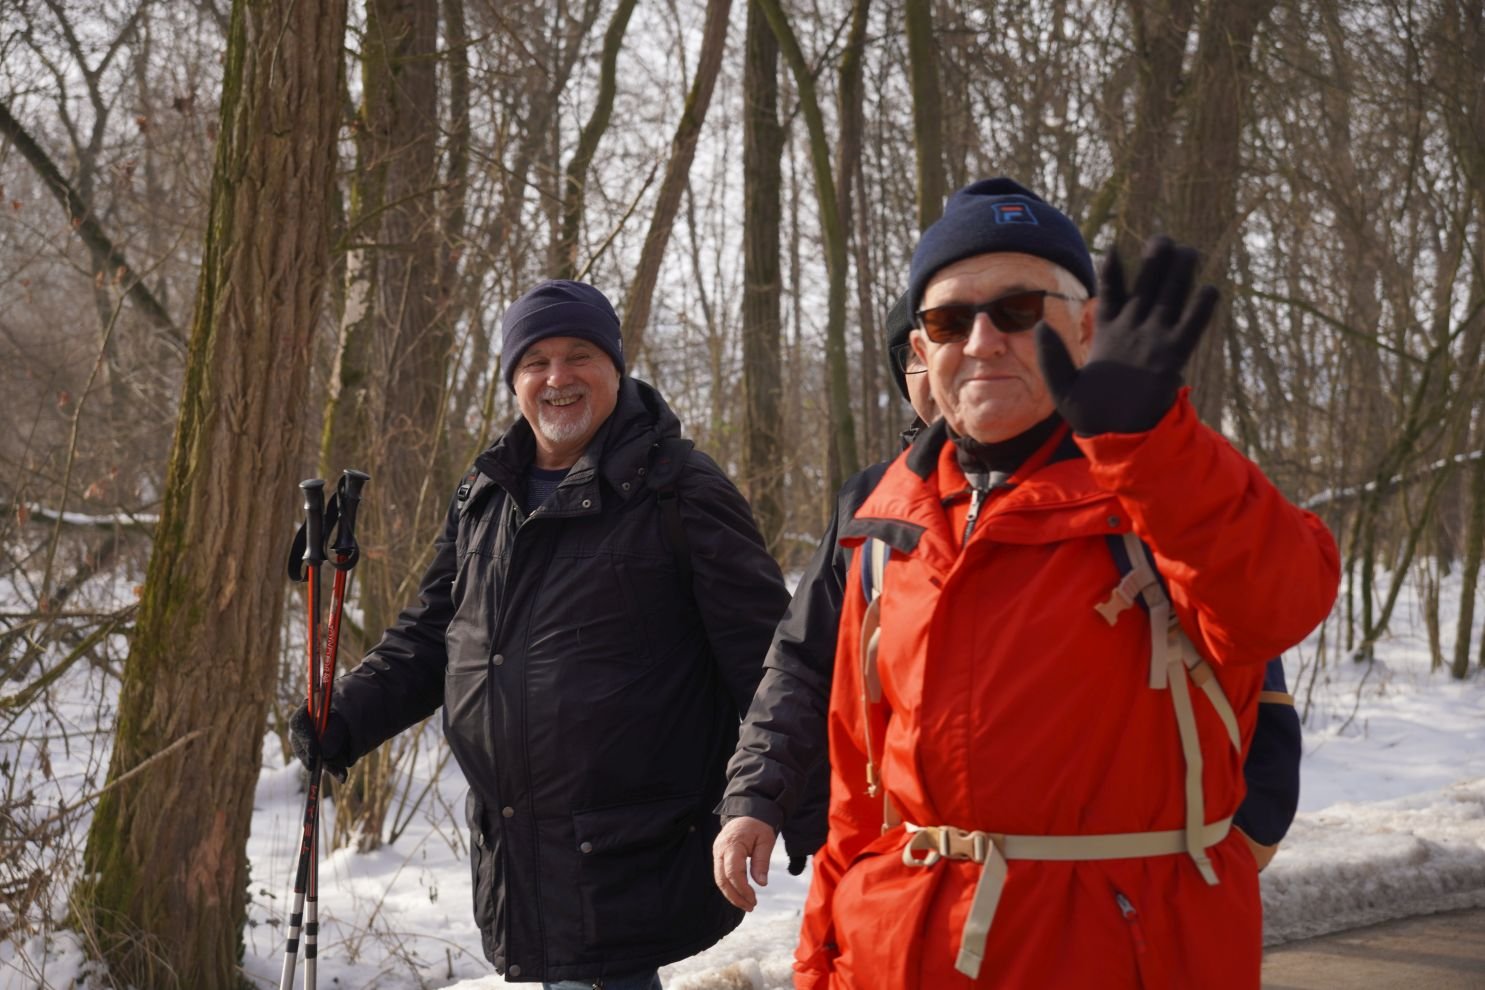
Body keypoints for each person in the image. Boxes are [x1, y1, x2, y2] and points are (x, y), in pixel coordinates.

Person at [793, 179, 1340, 988]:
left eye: (1017, 310)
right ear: (920, 349)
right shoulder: (887, 530)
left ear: (1085, 327)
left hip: (1116, 955)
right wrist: (822, 969)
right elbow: (856, 800)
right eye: (948, 321)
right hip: (902, 954)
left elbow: (1278, 602)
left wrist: (1147, 445)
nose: (981, 341)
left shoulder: (1162, 492)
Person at [291, 279, 790, 988]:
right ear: (513, 381)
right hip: (521, 845)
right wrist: (344, 716)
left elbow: (773, 668)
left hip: (632, 849)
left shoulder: (679, 490)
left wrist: (771, 800)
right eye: (536, 361)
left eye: (579, 355)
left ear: (615, 367)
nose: (557, 377)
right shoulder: (485, 493)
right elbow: (433, 635)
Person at [713, 294, 937, 908]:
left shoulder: (1090, 492)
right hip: (892, 861)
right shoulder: (870, 502)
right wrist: (755, 796)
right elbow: (803, 663)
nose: (939, 365)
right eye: (914, 354)